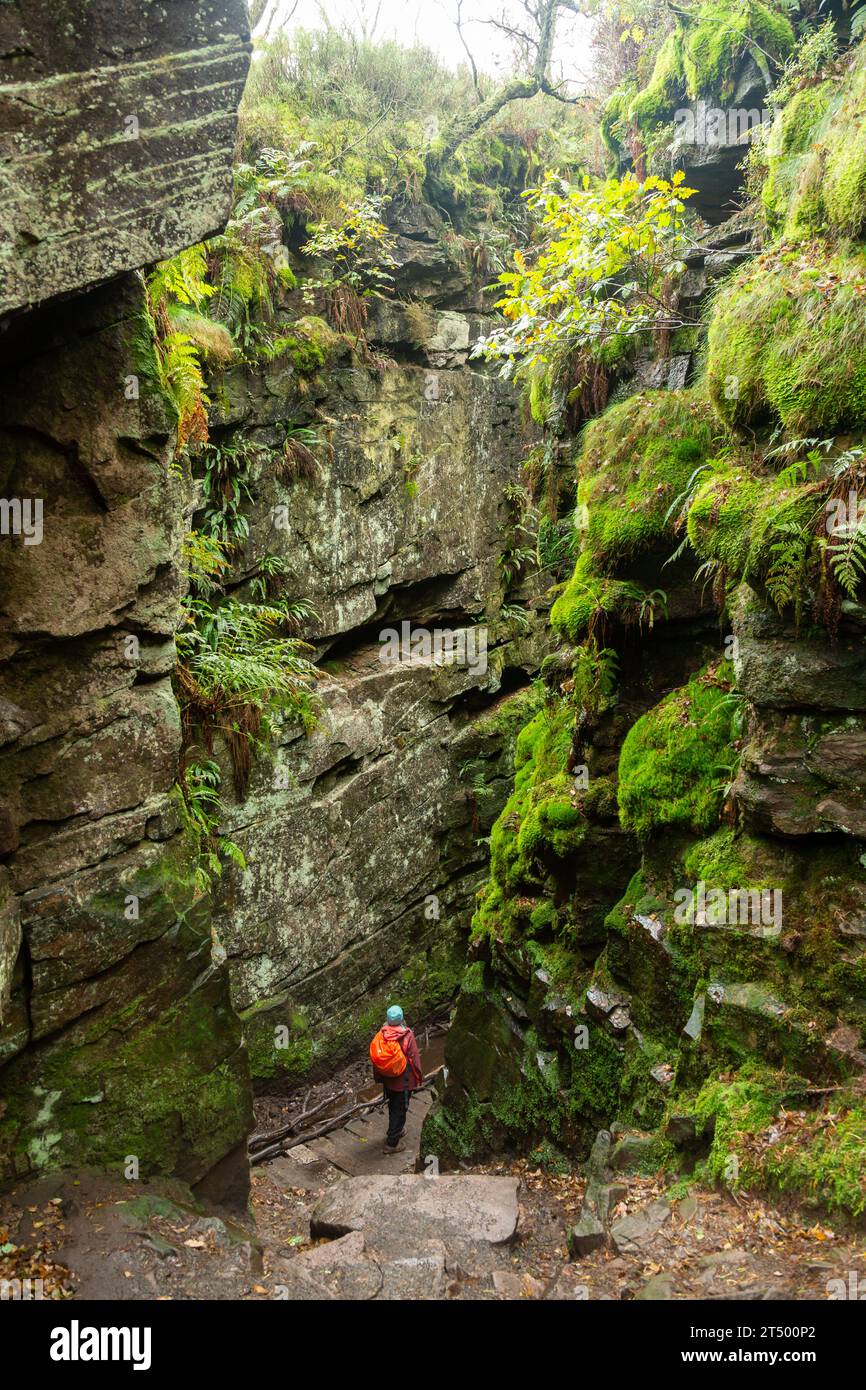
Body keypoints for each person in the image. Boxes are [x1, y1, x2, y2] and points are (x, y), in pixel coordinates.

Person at [369, 1005, 423, 1154]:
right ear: (401, 1019)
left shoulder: (382, 1033)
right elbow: (414, 1058)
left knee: (393, 1105)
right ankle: (392, 1143)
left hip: (389, 1080)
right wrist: (419, 1076)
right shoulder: (407, 1035)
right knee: (400, 1109)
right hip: (403, 1081)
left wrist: (380, 1078)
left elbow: (376, 1058)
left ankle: (396, 1131)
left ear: (387, 1018)